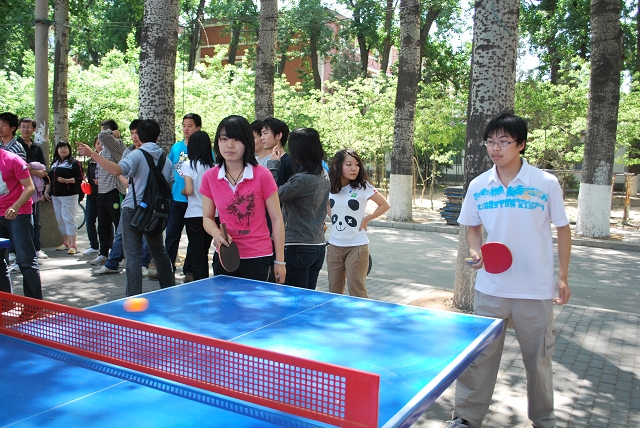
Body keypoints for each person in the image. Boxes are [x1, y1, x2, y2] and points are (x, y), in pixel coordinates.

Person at [446, 113, 572, 428]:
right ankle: (466, 417)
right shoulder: (478, 185)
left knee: (538, 360)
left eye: (504, 141)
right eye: (490, 141)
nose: (495, 148)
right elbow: (472, 227)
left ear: (521, 144)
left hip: (535, 289)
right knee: (479, 357)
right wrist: (475, 251)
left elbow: (563, 228)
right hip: (491, 288)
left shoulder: (545, 183)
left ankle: (544, 420)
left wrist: (563, 276)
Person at [78, 119, 175, 296]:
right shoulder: (166, 160)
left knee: (133, 255)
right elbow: (169, 185)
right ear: (157, 136)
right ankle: (169, 292)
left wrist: (93, 154)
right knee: (159, 253)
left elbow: (117, 170)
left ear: (140, 136)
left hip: (134, 210)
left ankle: (133, 298)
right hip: (155, 213)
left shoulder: (136, 155)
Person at [201, 115, 286, 283]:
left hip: (258, 258)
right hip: (225, 257)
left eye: (237, 139)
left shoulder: (262, 175)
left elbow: (277, 219)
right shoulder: (209, 177)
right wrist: (216, 233)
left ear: (247, 142)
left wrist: (280, 261)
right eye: (224, 139)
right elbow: (207, 218)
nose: (229, 145)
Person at [267, 128, 330, 289]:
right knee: (308, 296)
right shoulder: (323, 174)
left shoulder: (300, 180)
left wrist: (273, 165)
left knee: (295, 298)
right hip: (318, 245)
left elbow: (272, 196)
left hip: (298, 246)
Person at [326, 148, 389, 298]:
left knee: (356, 289)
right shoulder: (329, 186)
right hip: (334, 246)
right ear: (338, 166)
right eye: (349, 164)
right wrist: (334, 217)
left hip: (357, 247)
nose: (354, 168)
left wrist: (366, 219)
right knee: (334, 291)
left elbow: (384, 205)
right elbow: (326, 204)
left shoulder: (363, 186)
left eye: (357, 164)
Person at [0, 144, 43, 302]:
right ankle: (6, 303)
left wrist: (16, 206)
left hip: (19, 213)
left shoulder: (12, 160)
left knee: (25, 260)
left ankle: (34, 306)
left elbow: (30, 187)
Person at [165, 113, 201, 282]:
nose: (186, 129)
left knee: (193, 239)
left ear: (198, 128)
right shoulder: (176, 147)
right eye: (184, 125)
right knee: (171, 235)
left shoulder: (204, 149)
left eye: (190, 126)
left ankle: (189, 271)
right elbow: (169, 170)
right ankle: (167, 268)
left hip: (195, 202)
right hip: (176, 200)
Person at [180, 130, 215, 281]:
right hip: (213, 215)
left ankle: (201, 287)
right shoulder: (215, 167)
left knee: (197, 256)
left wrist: (182, 191)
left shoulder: (188, 165)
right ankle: (205, 283)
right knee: (205, 252)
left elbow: (189, 190)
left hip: (194, 214)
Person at [92, 120, 127, 265]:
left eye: (103, 130)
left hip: (115, 190)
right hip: (102, 192)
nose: (100, 136)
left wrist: (112, 133)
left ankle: (123, 255)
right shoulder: (104, 149)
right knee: (103, 225)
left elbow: (103, 136)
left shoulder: (116, 144)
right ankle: (103, 253)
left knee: (119, 225)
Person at [43, 141, 84, 255]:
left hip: (69, 195)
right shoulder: (55, 163)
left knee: (69, 218)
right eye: (60, 148)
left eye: (65, 148)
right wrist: (46, 192)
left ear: (69, 150)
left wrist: (66, 180)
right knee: (60, 219)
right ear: (57, 150)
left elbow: (79, 178)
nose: (63, 150)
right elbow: (50, 180)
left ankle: (73, 245)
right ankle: (65, 242)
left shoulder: (74, 163)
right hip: (56, 196)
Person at [17, 117, 48, 261]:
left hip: (34, 189)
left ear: (34, 129)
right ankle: (15, 251)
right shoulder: (16, 145)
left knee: (35, 220)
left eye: (28, 127)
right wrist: (33, 171)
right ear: (18, 128)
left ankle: (37, 248)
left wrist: (32, 170)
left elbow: (43, 169)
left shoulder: (37, 147)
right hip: (18, 188)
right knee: (18, 220)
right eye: (23, 126)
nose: (26, 129)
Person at [260, 117, 292, 185]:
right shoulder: (263, 162)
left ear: (278, 135)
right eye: (261, 134)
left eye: (265, 133)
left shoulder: (289, 162)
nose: (261, 138)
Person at [83, 137, 101, 256]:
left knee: (104, 222)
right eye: (98, 143)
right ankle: (94, 245)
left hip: (104, 194)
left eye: (102, 143)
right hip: (91, 195)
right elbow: (89, 176)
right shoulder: (91, 161)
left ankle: (108, 246)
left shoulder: (108, 159)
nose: (100, 146)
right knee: (89, 220)